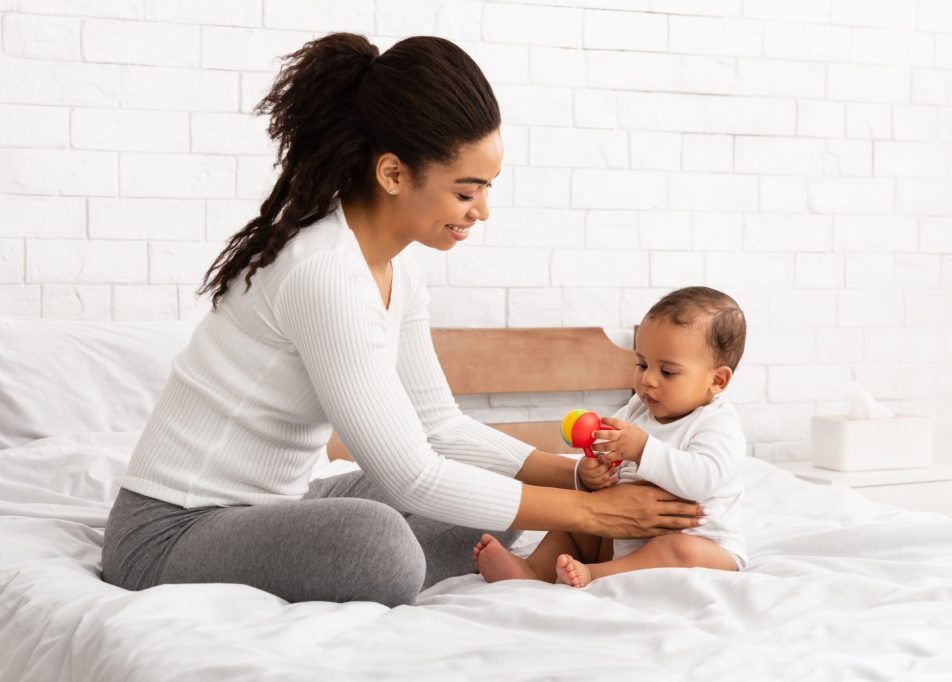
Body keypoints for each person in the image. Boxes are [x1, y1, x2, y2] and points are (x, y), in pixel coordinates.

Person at [100, 33, 707, 607]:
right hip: (170, 532)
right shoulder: (323, 271)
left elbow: (438, 426)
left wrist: (576, 478)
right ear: (393, 174)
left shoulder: (397, 270)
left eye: (488, 189)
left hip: (269, 507)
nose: (484, 211)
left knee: (480, 503)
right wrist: (594, 516)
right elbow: (413, 476)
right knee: (381, 544)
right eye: (467, 192)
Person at [473, 286, 748, 588]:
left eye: (667, 372)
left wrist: (643, 449)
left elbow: (703, 479)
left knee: (673, 550)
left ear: (717, 380)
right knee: (575, 524)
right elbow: (617, 463)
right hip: (625, 533)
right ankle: (532, 570)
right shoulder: (636, 409)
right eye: (642, 364)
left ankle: (597, 574)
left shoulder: (716, 423)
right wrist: (598, 473)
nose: (647, 379)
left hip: (700, 545)